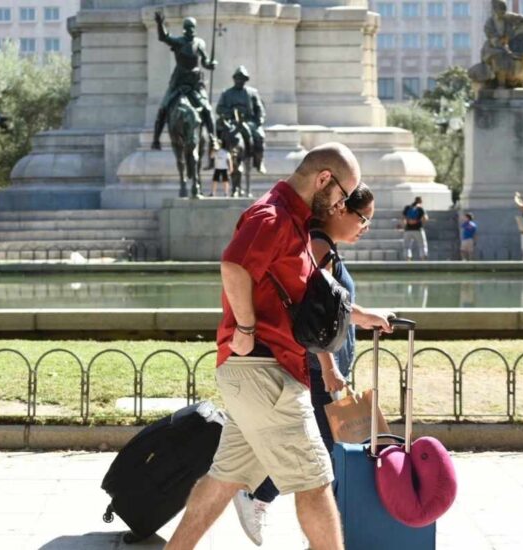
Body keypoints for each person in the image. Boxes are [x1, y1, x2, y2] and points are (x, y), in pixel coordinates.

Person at [165, 143, 392, 550]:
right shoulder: (273, 216)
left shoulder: (295, 221)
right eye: (343, 195)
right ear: (324, 179)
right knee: (316, 480)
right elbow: (233, 265)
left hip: (260, 373)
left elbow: (306, 302)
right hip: (264, 371)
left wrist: (361, 316)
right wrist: (247, 328)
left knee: (223, 479)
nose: (341, 205)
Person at [231, 184, 377, 546]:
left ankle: (302, 521)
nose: (365, 227)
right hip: (314, 366)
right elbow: (311, 311)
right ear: (339, 209)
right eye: (362, 218)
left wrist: (368, 317)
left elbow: (334, 307)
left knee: (315, 449)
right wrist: (328, 367)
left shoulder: (326, 247)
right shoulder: (318, 247)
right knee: (318, 450)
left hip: (321, 366)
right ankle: (263, 498)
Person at [151, 11, 218, 152]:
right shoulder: (178, 42)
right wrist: (160, 24)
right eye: (188, 27)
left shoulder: (200, 43)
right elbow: (163, 37)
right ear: (184, 29)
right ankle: (156, 140)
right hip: (179, 82)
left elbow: (204, 61)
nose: (190, 30)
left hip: (195, 83)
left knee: (207, 109)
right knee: (163, 108)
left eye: (192, 27)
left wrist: (210, 64)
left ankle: (213, 138)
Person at [401, 196, 428, 261]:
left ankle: (408, 259)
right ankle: (423, 259)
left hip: (408, 229)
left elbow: (403, 218)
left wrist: (406, 225)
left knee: (407, 246)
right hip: (418, 229)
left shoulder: (407, 207)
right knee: (422, 245)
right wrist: (420, 223)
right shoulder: (420, 208)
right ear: (420, 201)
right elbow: (425, 218)